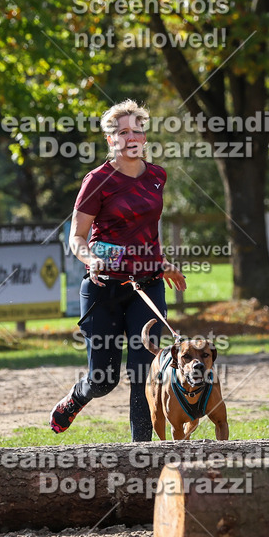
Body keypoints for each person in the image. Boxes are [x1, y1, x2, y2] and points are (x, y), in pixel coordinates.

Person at [50, 99, 186, 441]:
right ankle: (75, 399)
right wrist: (91, 260)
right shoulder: (97, 181)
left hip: (147, 285)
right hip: (104, 288)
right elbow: (77, 237)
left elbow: (146, 231)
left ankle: (141, 452)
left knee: (144, 370)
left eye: (137, 129)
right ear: (111, 139)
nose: (131, 136)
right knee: (104, 379)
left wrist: (161, 263)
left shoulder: (157, 176)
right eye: (123, 131)